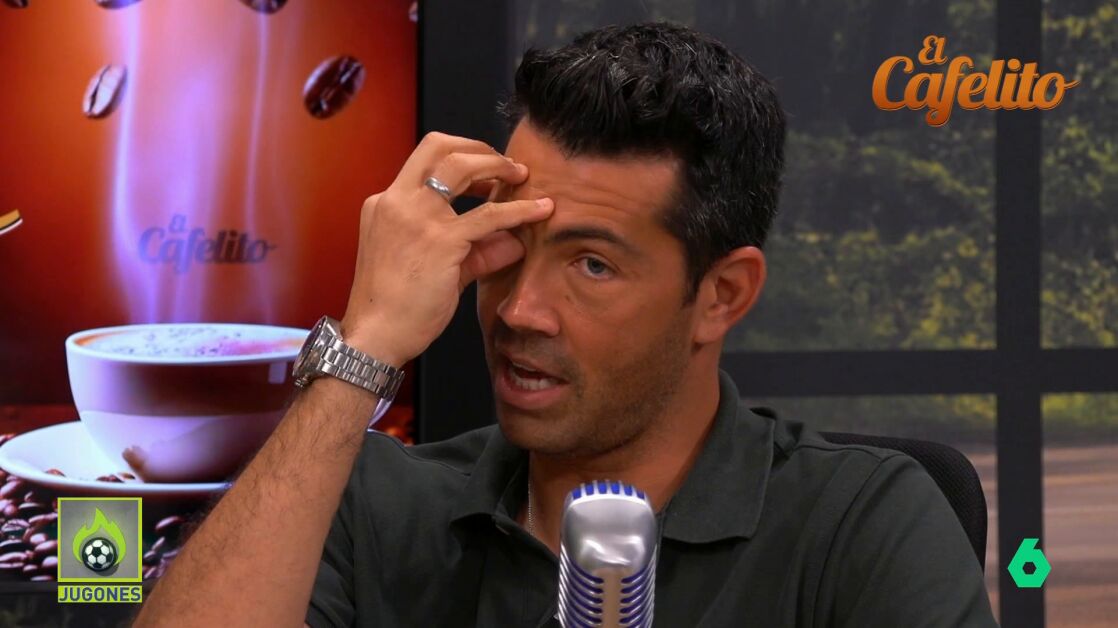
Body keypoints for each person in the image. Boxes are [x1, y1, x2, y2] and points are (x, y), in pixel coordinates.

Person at [135, 22, 996, 627]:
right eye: (512, 242)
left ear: (722, 295)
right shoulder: (375, 502)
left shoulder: (860, 522)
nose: (519, 310)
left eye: (592, 265)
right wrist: (361, 349)